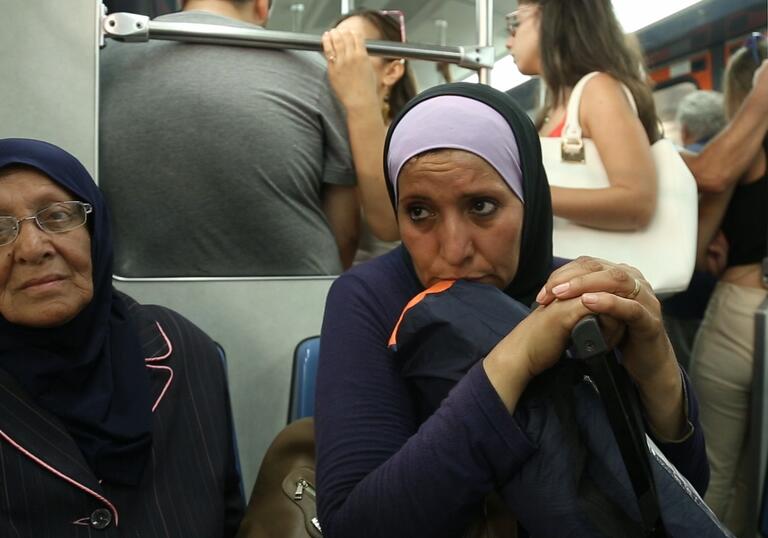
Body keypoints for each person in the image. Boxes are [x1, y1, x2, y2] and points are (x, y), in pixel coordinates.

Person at [314, 83, 707, 537]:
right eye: (419, 212)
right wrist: (514, 360)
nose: (455, 250)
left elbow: (680, 500)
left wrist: (657, 369)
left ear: (530, 199)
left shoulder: (580, 295)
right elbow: (354, 526)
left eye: (481, 206)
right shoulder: (371, 297)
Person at [0, 138, 244, 536]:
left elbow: (229, 520)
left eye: (57, 217)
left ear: (96, 230)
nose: (31, 248)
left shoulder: (181, 347)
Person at [100, 0, 358, 277]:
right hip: (295, 297)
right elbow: (345, 231)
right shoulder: (312, 67)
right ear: (261, 6)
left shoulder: (102, 64)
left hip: (138, 302)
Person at [689, 38, 768, 536]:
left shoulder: (745, 155)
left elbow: (696, 247)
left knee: (714, 470)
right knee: (756, 476)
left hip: (739, 309)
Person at [505, 0, 659, 231]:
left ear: (552, 18)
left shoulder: (598, 90)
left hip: (596, 264)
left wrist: (519, 193)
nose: (508, 42)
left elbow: (638, 203)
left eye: (516, 22)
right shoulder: (553, 107)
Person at [321, 9, 418, 262]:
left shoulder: (408, 137)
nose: (338, 62)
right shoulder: (322, 130)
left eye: (352, 50)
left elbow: (388, 225)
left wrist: (359, 101)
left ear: (392, 71)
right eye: (332, 50)